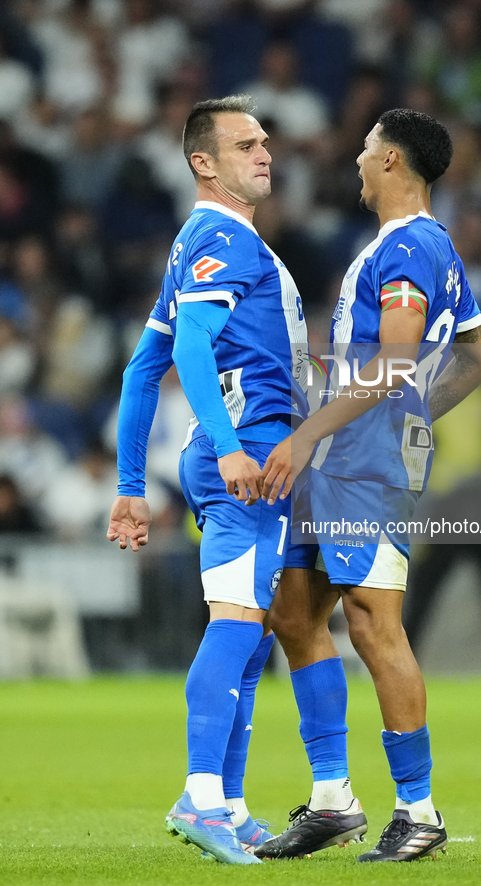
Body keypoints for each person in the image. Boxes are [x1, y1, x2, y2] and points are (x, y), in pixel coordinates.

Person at [255, 108, 481, 862]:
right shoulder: (428, 248)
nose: (356, 160)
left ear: (391, 160)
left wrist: (312, 432)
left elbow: (393, 362)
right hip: (346, 462)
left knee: (370, 623)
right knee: (293, 613)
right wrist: (416, 413)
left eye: (365, 149)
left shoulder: (413, 247)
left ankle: (417, 812)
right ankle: (332, 800)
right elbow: (478, 359)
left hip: (359, 468)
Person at [106, 94, 309, 865]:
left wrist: (131, 482)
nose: (264, 153)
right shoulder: (222, 238)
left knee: (250, 630)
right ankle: (199, 794)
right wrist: (228, 447)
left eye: (265, 140)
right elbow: (189, 352)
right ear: (203, 163)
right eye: (245, 143)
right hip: (249, 455)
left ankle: (226, 802)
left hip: (242, 449)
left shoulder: (197, 246)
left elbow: (139, 370)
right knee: (234, 623)